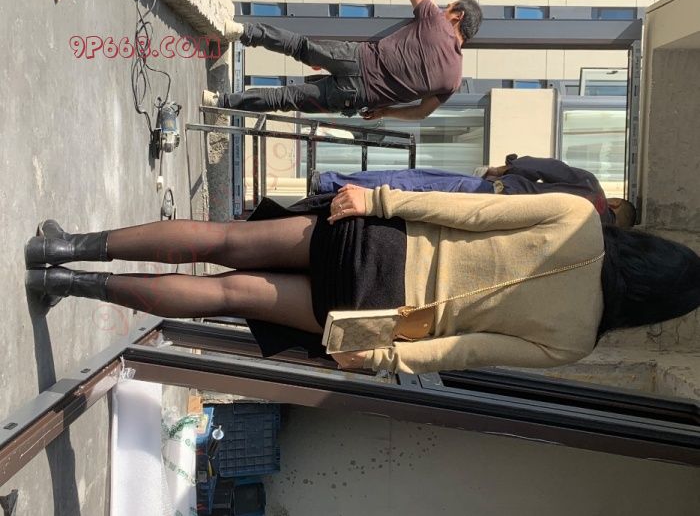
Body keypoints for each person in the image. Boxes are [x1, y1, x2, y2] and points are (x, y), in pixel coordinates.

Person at [25, 186, 699, 374]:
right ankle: (69, 286)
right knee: (227, 294)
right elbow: (464, 351)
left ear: (652, 250)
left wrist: (378, 198)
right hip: (377, 313)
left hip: (380, 239)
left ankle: (64, 247)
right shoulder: (578, 342)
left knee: (222, 239)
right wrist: (383, 357)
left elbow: (470, 210)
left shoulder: (580, 220)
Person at [203, 0, 482, 118]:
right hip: (357, 96)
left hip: (354, 57)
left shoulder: (435, 20)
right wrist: (385, 111)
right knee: (285, 99)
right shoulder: (453, 80)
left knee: (299, 45)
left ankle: (241, 31)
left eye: (449, 7)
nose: (443, 9)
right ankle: (219, 101)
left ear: (458, 15)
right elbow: (421, 113)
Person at [311, 154, 637, 227]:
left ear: (615, 203)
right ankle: (331, 204)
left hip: (493, 193)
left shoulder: (590, 187)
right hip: (492, 225)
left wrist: (506, 167)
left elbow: (544, 167)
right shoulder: (591, 237)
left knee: (412, 183)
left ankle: (328, 184)